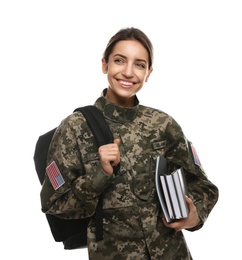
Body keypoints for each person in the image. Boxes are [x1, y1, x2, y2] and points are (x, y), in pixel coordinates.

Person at [40, 27, 219, 259]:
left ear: (148, 73)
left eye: (139, 64)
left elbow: (203, 185)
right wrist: (99, 175)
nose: (128, 72)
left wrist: (195, 214)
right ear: (105, 65)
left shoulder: (162, 124)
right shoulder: (75, 127)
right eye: (119, 60)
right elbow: (53, 204)